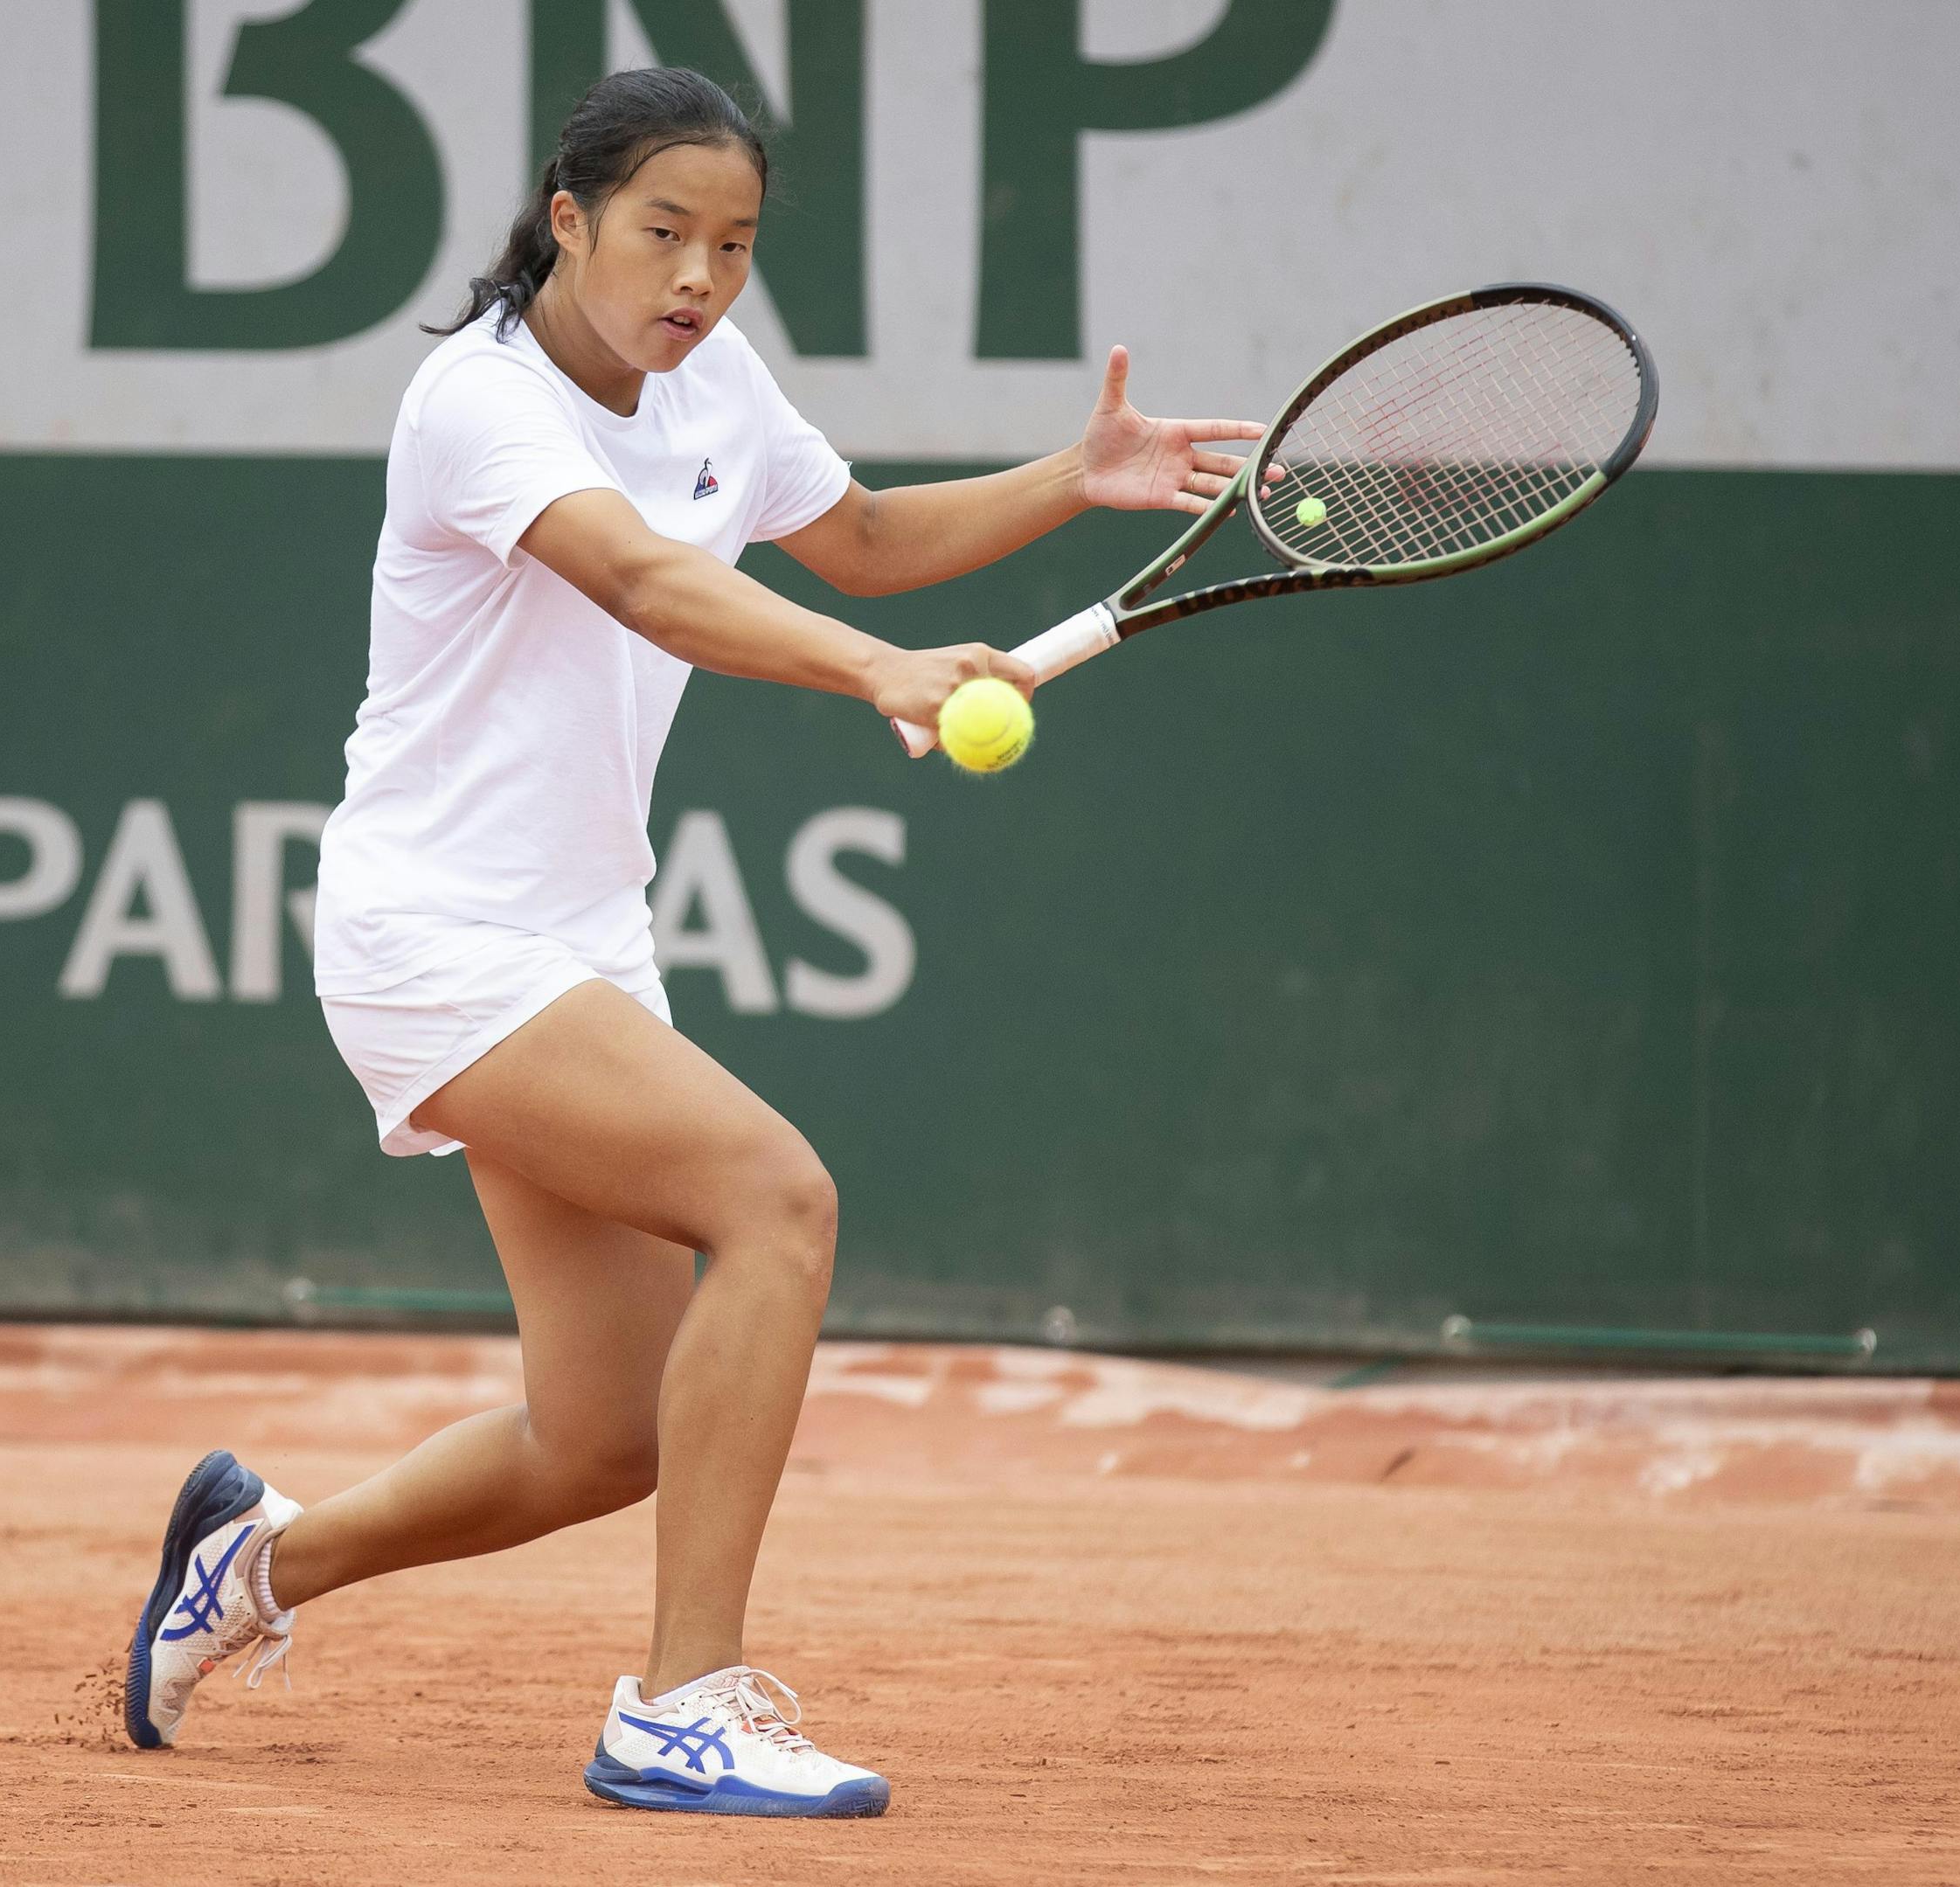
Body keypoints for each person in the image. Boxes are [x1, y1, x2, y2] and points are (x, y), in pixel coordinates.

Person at [120, 66, 1259, 1818]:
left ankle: (252, 1565)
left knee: (605, 1441)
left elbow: (863, 539)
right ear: (566, 219)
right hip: (438, 934)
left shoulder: (706, 373)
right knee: (774, 1197)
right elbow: (651, 582)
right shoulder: (474, 403)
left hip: (581, 936)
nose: (699, 280)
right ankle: (684, 1704)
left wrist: (1073, 478)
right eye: (664, 234)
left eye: (731, 245)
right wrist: (877, 674)